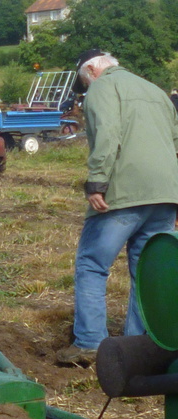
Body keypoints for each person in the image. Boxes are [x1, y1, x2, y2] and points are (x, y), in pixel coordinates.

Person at [56, 50, 178, 366]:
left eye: (85, 80)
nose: (86, 87)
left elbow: (106, 136)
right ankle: (139, 345)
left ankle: (89, 343)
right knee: (145, 271)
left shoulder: (101, 88)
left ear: (93, 69)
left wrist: (97, 182)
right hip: (166, 194)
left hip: (123, 193)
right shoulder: (155, 91)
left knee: (92, 264)